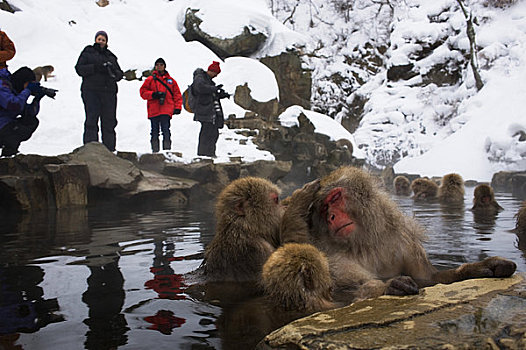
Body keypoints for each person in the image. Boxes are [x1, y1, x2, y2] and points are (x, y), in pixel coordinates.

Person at [75, 30, 123, 152]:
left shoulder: (111, 56)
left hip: (109, 92)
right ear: (95, 40)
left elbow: (119, 74)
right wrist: (96, 68)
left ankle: (110, 150)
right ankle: (91, 149)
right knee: (92, 119)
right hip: (91, 91)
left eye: (103, 39)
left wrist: (111, 70)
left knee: (109, 121)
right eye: (99, 39)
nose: (101, 41)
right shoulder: (88, 52)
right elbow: (79, 69)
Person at [139, 58, 182, 152]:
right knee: (154, 131)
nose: (159, 66)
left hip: (166, 109)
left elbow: (177, 94)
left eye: (161, 65)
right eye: (157, 65)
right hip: (154, 109)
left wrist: (178, 107)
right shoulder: (150, 80)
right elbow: (143, 92)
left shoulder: (171, 81)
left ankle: (167, 151)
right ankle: (155, 151)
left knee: (166, 130)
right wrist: (153, 95)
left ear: (164, 66)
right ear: (155, 66)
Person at [0, 67, 44, 157]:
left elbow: (29, 113)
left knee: (30, 122)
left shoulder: (14, 90)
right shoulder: (3, 86)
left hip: (4, 123)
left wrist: (37, 99)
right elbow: (13, 105)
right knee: (11, 129)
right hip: (2, 124)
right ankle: (8, 155)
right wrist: (27, 91)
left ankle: (9, 154)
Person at [192, 61, 229, 157]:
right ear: (211, 71)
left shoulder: (209, 81)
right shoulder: (200, 77)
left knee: (213, 133)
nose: (215, 76)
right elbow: (200, 88)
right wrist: (214, 89)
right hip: (204, 110)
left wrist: (221, 94)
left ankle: (210, 153)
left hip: (211, 112)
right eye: (215, 73)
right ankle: (203, 154)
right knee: (206, 133)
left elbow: (210, 93)